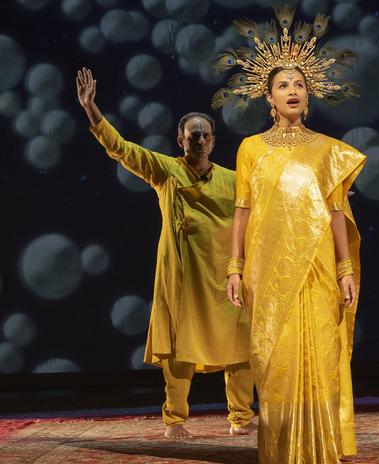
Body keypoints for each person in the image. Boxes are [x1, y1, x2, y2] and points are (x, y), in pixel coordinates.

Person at [214, 7, 366, 464]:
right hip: (266, 267)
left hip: (318, 267)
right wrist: (234, 268)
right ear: (268, 97)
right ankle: (280, 446)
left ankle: (321, 444)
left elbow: (337, 212)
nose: (293, 91)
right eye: (283, 85)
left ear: (310, 93)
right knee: (273, 356)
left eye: (299, 84)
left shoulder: (328, 152)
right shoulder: (250, 149)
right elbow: (243, 211)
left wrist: (344, 270)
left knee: (321, 351)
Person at [76, 67, 255, 440]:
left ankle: (241, 417)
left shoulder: (235, 181)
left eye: (205, 135)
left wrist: (322, 198)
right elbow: (122, 150)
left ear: (214, 140)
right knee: (179, 349)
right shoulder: (166, 172)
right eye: (194, 136)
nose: (200, 141)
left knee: (240, 346)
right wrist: (92, 109)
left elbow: (274, 202)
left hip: (227, 278)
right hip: (182, 278)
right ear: (181, 139)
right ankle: (175, 421)